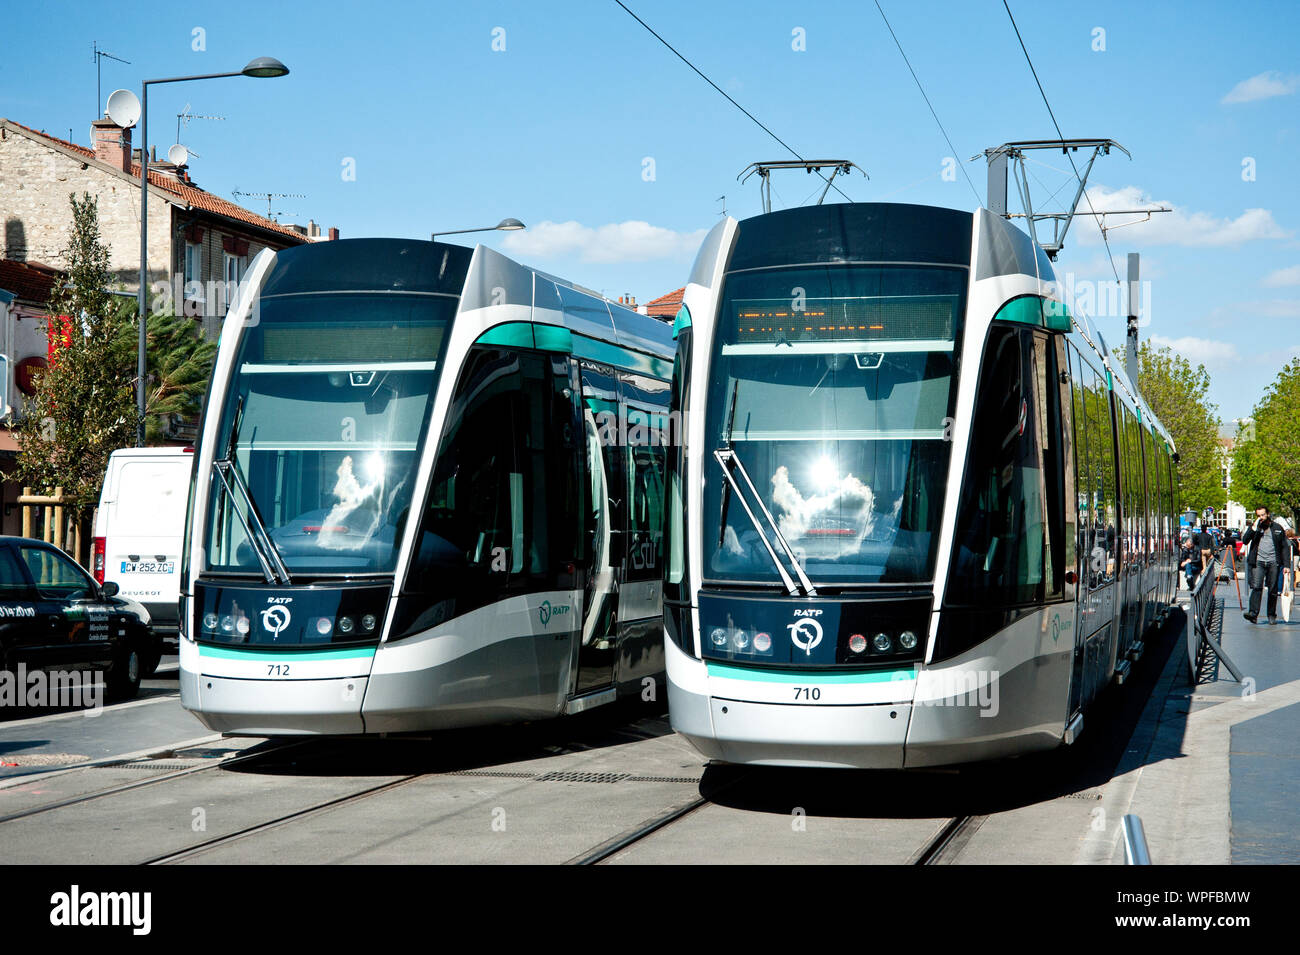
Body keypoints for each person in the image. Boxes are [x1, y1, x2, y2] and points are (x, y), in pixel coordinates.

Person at [1242, 506, 1293, 624]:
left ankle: (1271, 615)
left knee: (1273, 589)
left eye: (1263, 515)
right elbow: (1245, 540)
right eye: (1259, 516)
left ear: (1268, 514)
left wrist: (1286, 565)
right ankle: (1253, 613)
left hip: (1273, 562)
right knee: (1257, 587)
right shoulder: (1255, 528)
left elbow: (1284, 547)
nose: (1261, 518)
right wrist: (1253, 528)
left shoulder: (1277, 528)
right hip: (1258, 562)